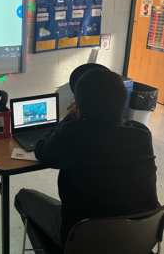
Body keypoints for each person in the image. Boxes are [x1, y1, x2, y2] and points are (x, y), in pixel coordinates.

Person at [15, 64, 159, 252]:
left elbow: (42, 151)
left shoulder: (74, 134)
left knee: (22, 198)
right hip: (141, 237)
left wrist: (69, 118)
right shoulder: (142, 134)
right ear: (122, 101)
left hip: (86, 237)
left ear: (79, 105)